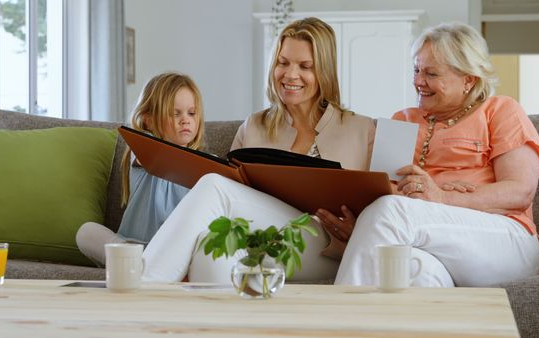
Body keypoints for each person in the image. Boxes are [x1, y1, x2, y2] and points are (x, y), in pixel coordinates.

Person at [141, 17, 376, 283]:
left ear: (324, 71)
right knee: (211, 247)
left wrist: (359, 228)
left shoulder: (362, 129)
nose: (290, 74)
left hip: (327, 251)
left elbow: (384, 210)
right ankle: (221, 324)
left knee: (213, 187)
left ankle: (141, 289)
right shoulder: (254, 126)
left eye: (305, 66)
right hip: (259, 242)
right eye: (282, 63)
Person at [332, 22, 539, 287]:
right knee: (416, 271)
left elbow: (520, 192)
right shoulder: (403, 120)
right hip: (431, 242)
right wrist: (364, 227)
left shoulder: (500, 110)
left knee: (392, 211)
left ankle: (334, 324)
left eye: (431, 74)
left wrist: (442, 196)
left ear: (469, 79)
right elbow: (381, 192)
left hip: (504, 237)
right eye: (416, 70)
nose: (418, 81)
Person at [75, 72, 205, 267]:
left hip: (174, 250)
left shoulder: (205, 165)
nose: (185, 120)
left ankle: (144, 265)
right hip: (132, 246)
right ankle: (136, 262)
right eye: (175, 113)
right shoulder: (142, 150)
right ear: (148, 120)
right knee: (86, 232)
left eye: (191, 113)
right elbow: (159, 154)